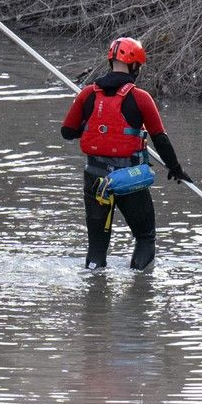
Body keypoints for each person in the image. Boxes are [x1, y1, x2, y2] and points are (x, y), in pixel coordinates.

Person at [59, 37, 191, 272]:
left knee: (96, 248)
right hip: (129, 178)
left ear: (111, 62)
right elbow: (160, 138)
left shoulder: (87, 94)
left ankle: (94, 293)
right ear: (135, 67)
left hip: (94, 178)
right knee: (145, 238)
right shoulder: (141, 98)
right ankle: (140, 293)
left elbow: (67, 131)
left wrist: (97, 129)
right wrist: (176, 169)